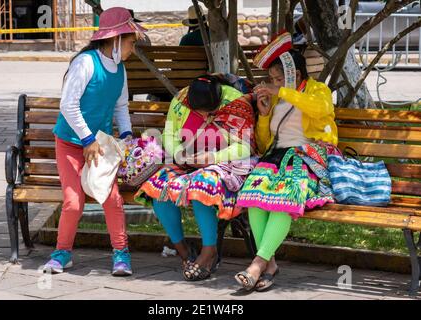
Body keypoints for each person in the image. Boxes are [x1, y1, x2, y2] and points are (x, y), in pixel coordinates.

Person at [43, 7, 147, 276]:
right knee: (73, 202)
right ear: (115, 40)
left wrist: (126, 136)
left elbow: (121, 107)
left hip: (98, 146)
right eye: (131, 43)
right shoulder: (85, 63)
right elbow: (68, 104)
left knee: (111, 199)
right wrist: (86, 138)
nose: (132, 49)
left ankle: (121, 254)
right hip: (70, 143)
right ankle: (62, 253)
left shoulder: (120, 71)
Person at [235, 31, 339, 291]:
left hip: (309, 155)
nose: (274, 84)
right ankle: (269, 265)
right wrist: (263, 115)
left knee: (283, 198)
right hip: (278, 156)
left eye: (279, 78)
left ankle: (258, 264)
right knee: (254, 199)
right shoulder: (278, 97)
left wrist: (282, 90)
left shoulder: (318, 90)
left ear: (297, 75)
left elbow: (320, 109)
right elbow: (263, 141)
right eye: (271, 79)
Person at [135, 75, 257, 281]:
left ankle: (209, 251)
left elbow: (245, 146)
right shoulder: (180, 101)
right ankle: (182, 249)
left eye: (207, 111)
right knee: (158, 187)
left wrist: (211, 158)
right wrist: (181, 155)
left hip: (228, 163)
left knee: (201, 187)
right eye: (198, 111)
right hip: (188, 159)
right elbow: (170, 135)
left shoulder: (236, 103)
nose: (202, 115)